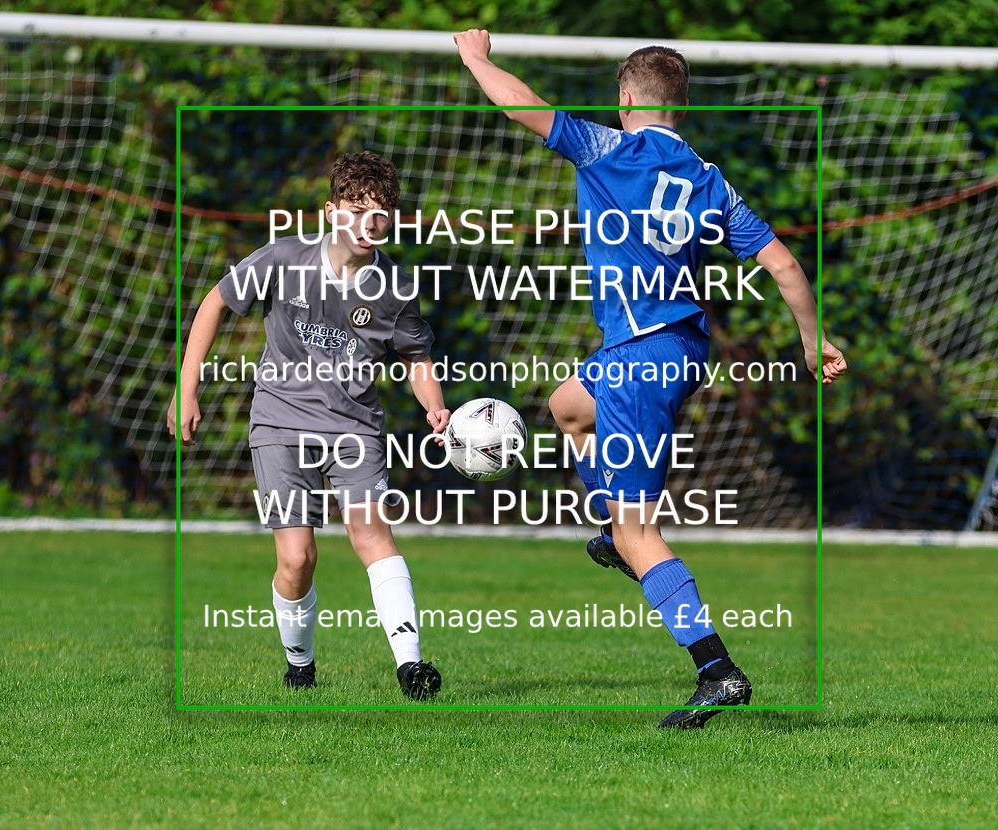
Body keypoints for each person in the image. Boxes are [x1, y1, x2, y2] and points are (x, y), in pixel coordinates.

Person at [454, 30, 848, 728]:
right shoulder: (710, 180)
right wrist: (813, 341)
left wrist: (477, 59)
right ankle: (614, 534)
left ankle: (715, 669)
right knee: (568, 407)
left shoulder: (608, 149)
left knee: (640, 530)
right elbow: (786, 266)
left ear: (625, 98)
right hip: (676, 349)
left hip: (641, 357)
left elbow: (520, 106)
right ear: (682, 109)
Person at [167, 150, 448, 699]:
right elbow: (213, 304)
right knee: (297, 558)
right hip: (280, 422)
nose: (370, 223)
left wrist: (434, 406)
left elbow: (416, 358)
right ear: (331, 211)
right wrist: (187, 387)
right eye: (357, 210)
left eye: (381, 213)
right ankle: (300, 663)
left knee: (372, 534)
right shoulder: (284, 258)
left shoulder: (395, 288)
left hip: (355, 428)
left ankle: (411, 666)